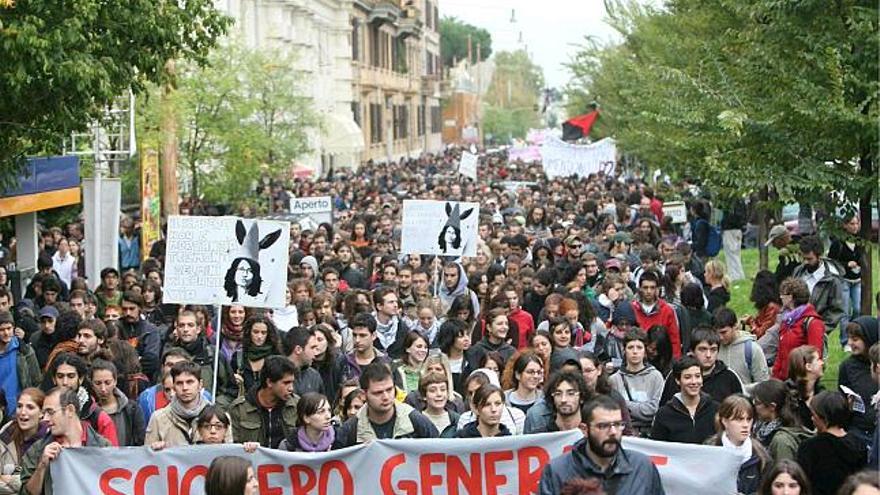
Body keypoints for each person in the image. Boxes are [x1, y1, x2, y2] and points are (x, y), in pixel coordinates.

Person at [538, 395, 665, 495]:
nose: (613, 432)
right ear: (585, 429)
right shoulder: (557, 471)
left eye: (618, 424)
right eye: (603, 426)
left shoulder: (642, 466)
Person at [20, 387, 113, 495]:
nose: (45, 419)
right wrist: (42, 466)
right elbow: (26, 493)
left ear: (70, 410)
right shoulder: (38, 450)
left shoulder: (103, 447)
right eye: (44, 413)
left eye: (50, 412)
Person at [333, 362, 438, 448]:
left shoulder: (414, 419)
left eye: (389, 389)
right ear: (363, 395)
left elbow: (439, 450)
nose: (386, 397)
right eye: (378, 393)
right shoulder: (351, 429)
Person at [797, 391, 867, 495]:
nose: (812, 418)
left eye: (814, 415)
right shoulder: (858, 444)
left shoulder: (810, 447)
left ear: (824, 418)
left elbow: (803, 483)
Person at [145, 361, 227, 448]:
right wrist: (155, 449)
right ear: (174, 387)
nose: (185, 388)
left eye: (190, 382)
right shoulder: (158, 419)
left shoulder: (220, 417)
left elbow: (230, 455)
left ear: (200, 385)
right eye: (179, 383)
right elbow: (148, 458)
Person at [228, 355, 298, 449]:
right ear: (269, 382)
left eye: (292, 382)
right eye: (286, 383)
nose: (291, 388)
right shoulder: (239, 409)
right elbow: (231, 446)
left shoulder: (296, 406)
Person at [706, 394, 771, 495]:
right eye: (739, 419)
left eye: (749, 419)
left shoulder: (761, 456)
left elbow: (767, 490)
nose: (745, 425)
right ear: (724, 421)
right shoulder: (709, 450)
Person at [660, 327, 743, 406]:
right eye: (703, 349)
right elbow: (664, 409)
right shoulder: (677, 373)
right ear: (692, 351)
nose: (708, 355)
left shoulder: (729, 377)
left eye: (713, 349)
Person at [608, 329, 664, 435]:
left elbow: (655, 410)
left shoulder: (656, 377)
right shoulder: (614, 380)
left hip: (650, 433)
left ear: (644, 351)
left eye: (639, 347)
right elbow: (614, 412)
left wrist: (624, 405)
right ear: (624, 350)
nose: (635, 351)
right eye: (630, 347)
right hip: (624, 433)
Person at [650, 356, 718, 444]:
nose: (694, 382)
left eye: (697, 376)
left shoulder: (716, 409)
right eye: (687, 377)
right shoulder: (664, 414)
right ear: (678, 380)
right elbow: (657, 448)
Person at [772, 278, 824, 380]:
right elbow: (781, 353)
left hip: (801, 381)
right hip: (784, 381)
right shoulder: (786, 321)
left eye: (782, 294)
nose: (780, 297)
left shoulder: (813, 323)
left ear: (790, 297)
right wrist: (775, 378)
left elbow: (815, 355)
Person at [837, 316, 878, 444]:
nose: (850, 343)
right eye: (848, 338)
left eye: (855, 339)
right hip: (859, 430)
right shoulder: (847, 367)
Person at [791, 235, 844, 333]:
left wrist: (819, 329)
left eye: (809, 259)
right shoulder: (798, 271)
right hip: (794, 328)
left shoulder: (832, 279)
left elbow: (836, 310)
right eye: (803, 258)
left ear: (819, 256)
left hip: (816, 331)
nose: (805, 262)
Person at [827, 214, 865, 351]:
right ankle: (845, 341)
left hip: (857, 280)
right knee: (844, 312)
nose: (855, 227)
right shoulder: (838, 243)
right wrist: (846, 264)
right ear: (845, 225)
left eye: (856, 224)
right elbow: (831, 262)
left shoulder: (860, 241)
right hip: (844, 281)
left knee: (857, 308)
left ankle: (855, 334)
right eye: (852, 224)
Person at [752, 378, 813, 462]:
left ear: (772, 407)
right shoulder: (759, 429)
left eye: (757, 403)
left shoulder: (781, 441)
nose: (754, 406)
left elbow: (784, 471)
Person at [0, 389, 48, 495]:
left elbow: (45, 486)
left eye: (30, 407)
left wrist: (8, 479)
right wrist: (23, 482)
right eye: (19, 406)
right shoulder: (5, 434)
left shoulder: (48, 440)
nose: (22, 412)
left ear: (42, 413)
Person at [90, 359, 145, 446]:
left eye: (107, 383)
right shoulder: (89, 413)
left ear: (115, 381)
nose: (103, 388)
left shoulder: (132, 409)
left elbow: (140, 440)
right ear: (92, 384)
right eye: (98, 383)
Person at [631, 270, 682, 359]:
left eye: (652, 287)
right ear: (640, 288)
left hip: (661, 358)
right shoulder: (632, 308)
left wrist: (675, 361)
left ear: (657, 289)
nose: (649, 291)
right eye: (645, 287)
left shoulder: (667, 310)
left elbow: (674, 339)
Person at [715, 307, 769, 389]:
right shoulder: (713, 348)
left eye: (724, 332)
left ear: (735, 326)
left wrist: (742, 389)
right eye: (717, 333)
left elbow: (763, 384)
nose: (720, 337)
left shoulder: (752, 349)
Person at [0, 311, 40, 418]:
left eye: (9, 328)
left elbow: (36, 380)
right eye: (2, 330)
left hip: (20, 410)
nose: (6, 333)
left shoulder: (24, 351)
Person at [523, 370, 589, 434]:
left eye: (570, 393)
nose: (563, 400)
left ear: (581, 397)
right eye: (558, 394)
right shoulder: (540, 436)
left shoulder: (590, 433)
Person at [231, 315, 283, 396]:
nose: (259, 336)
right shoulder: (238, 357)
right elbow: (230, 387)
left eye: (263, 333)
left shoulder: (276, 357)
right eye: (255, 332)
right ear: (249, 332)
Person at [465, 307, 516, 372]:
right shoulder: (475, 351)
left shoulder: (511, 352)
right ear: (489, 327)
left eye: (506, 324)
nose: (505, 327)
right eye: (500, 324)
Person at [786, 345, 824, 430]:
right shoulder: (787, 396)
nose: (822, 363)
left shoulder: (821, 393)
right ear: (808, 367)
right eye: (818, 360)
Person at [284, 326, 324, 396]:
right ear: (298, 349)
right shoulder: (276, 375)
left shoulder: (314, 377)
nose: (316, 352)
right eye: (312, 347)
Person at [501, 350, 544, 415]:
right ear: (518, 375)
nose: (535, 376)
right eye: (530, 372)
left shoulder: (545, 400)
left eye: (538, 372)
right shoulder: (503, 400)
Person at [418, 371, 460, 437]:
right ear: (424, 395)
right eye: (432, 391)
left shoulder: (457, 420)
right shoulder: (416, 419)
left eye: (443, 389)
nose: (439, 394)